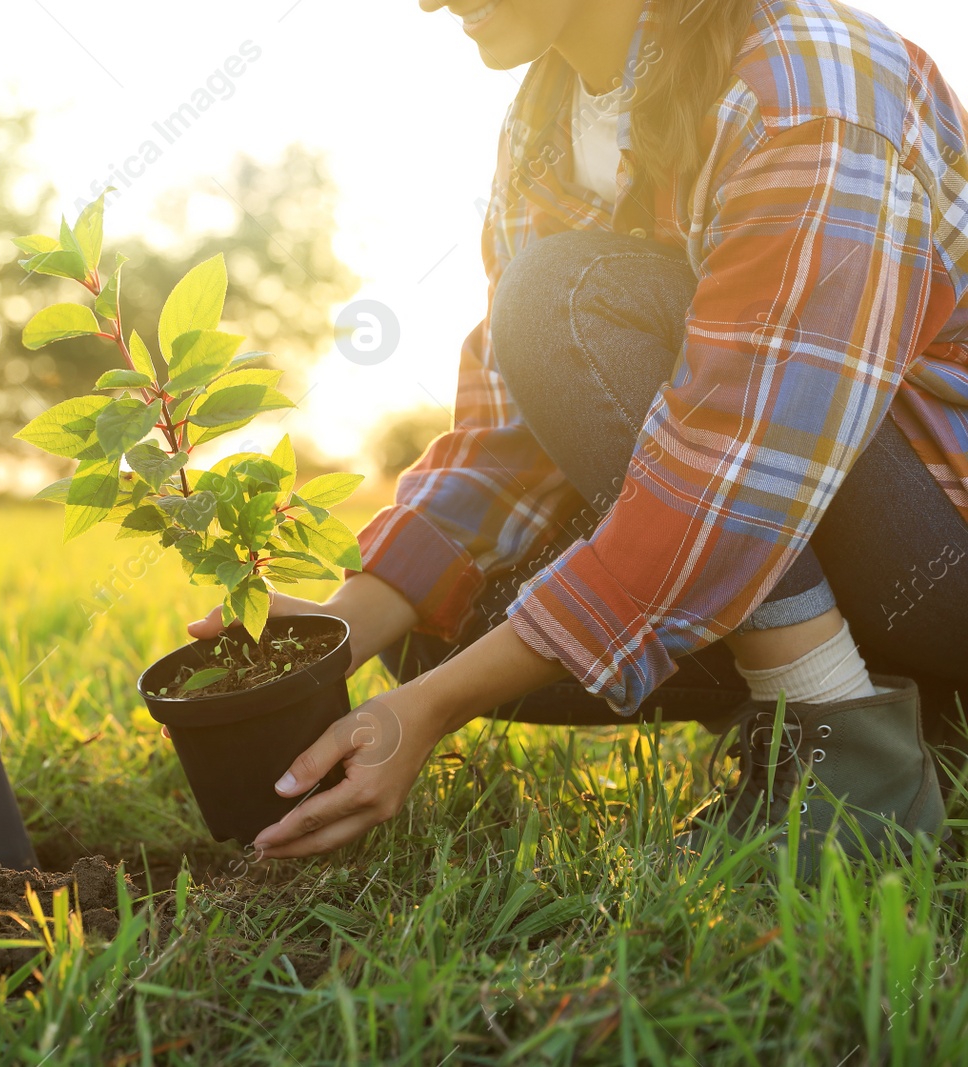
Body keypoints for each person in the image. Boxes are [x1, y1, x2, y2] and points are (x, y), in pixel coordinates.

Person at [192, 0, 968, 877]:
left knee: (561, 294)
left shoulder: (813, 85)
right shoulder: (547, 116)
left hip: (939, 543)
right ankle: (923, 713)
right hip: (816, 511)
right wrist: (343, 624)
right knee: (439, 623)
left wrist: (434, 711)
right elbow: (515, 433)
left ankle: (846, 757)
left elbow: (746, 469)